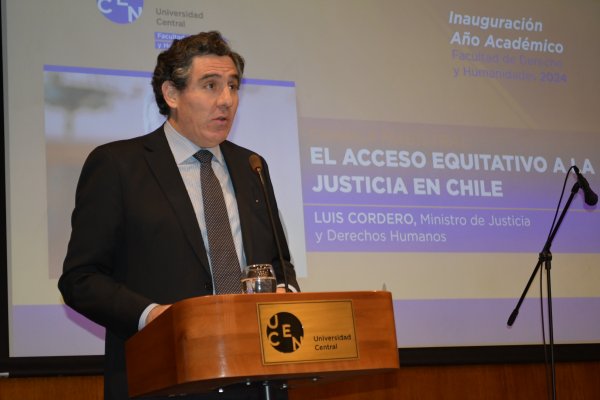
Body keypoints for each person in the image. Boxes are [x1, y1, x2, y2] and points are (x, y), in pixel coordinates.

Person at [58, 31, 299, 400]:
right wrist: (153, 316)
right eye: (211, 85)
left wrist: (285, 293)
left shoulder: (251, 166)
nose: (227, 100)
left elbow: (280, 263)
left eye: (233, 86)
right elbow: (81, 279)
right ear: (172, 94)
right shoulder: (118, 166)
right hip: (162, 378)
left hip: (256, 378)